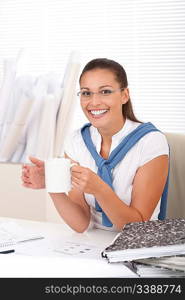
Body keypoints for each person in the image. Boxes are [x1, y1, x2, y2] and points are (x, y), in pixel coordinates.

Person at [22, 58, 169, 233]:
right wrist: (54, 184)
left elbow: (138, 228)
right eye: (86, 93)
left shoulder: (150, 142)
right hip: (95, 243)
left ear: (124, 95)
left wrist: (100, 190)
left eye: (105, 91)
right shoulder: (77, 141)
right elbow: (81, 224)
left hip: (138, 245)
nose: (94, 102)